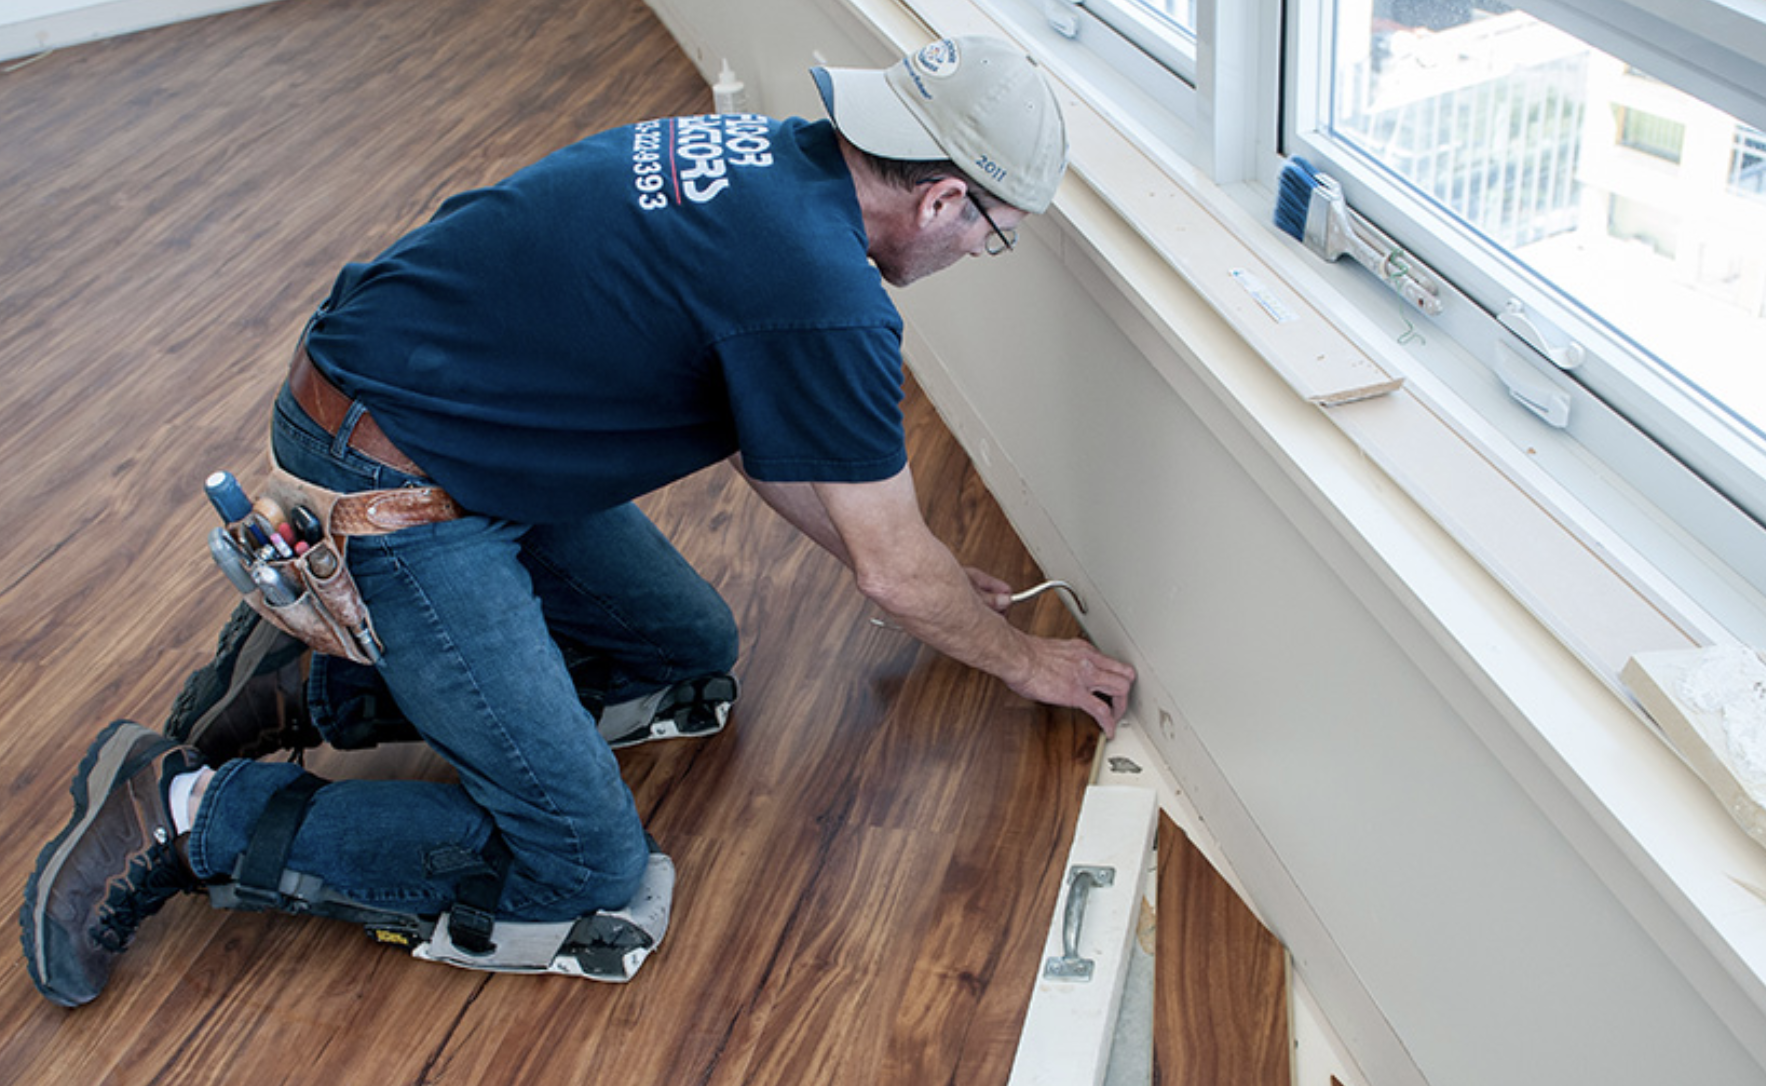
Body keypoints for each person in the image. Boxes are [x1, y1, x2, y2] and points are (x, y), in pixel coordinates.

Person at [21, 34, 1136, 1009]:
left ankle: (301, 681)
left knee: (682, 658)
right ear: (943, 198)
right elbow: (893, 575)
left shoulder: (771, 160)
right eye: (992, 233)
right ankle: (173, 810)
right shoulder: (823, 293)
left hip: (462, 422)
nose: (975, 254)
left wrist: (922, 572)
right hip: (398, 475)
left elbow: (781, 454)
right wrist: (1018, 658)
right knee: (579, 869)